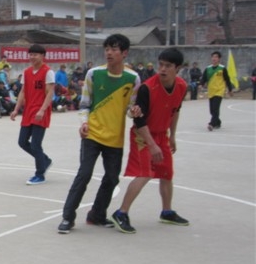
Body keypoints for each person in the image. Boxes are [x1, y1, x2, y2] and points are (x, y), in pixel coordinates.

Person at [57, 34, 141, 234]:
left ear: (125, 53)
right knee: (84, 175)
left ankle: (97, 215)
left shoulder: (133, 79)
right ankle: (68, 217)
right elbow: (85, 103)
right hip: (92, 134)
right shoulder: (94, 74)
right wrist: (84, 123)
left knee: (112, 178)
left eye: (114, 49)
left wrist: (134, 111)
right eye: (107, 49)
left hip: (115, 137)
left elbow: (129, 108)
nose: (109, 53)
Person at [110, 48, 189, 233]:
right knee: (146, 173)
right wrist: (152, 145)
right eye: (161, 64)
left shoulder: (182, 86)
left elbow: (175, 111)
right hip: (143, 135)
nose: (162, 69)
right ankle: (121, 213)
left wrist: (173, 136)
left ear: (177, 68)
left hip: (162, 134)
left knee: (167, 173)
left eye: (167, 66)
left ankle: (167, 211)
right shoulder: (147, 88)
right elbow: (139, 120)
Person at [10, 44, 55, 185]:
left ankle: (40, 174)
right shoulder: (27, 72)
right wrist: (16, 109)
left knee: (36, 144)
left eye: (35, 54)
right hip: (28, 111)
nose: (32, 57)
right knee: (22, 142)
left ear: (42, 56)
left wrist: (42, 110)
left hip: (40, 111)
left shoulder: (48, 72)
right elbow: (23, 92)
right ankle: (44, 160)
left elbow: (50, 93)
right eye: (30, 54)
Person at [200, 51, 233, 131]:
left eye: (216, 57)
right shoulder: (208, 68)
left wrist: (230, 89)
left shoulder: (222, 68)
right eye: (213, 57)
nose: (214, 58)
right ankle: (218, 122)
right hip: (211, 91)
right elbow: (204, 78)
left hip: (219, 91)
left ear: (219, 59)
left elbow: (227, 79)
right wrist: (201, 84)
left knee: (215, 108)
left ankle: (212, 124)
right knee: (211, 110)